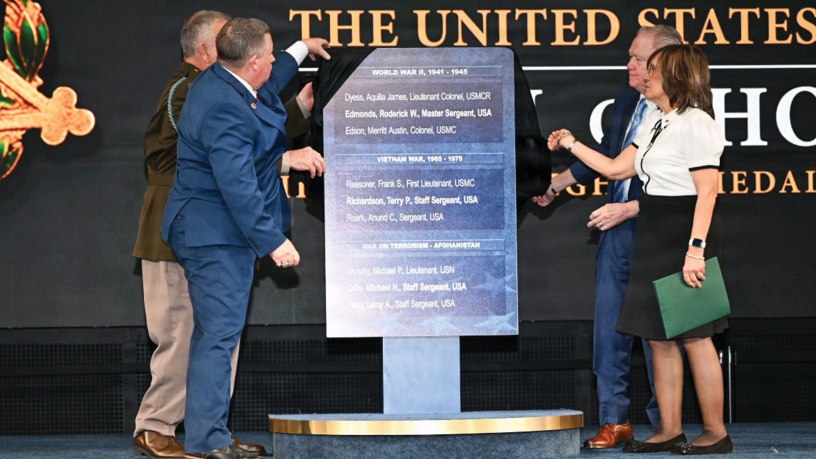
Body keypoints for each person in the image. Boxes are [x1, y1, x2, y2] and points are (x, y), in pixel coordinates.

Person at [133, 11, 326, 459]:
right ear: (252, 62)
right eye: (271, 55)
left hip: (214, 229)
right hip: (214, 232)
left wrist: (300, 50)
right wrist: (273, 240)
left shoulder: (224, 79)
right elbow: (235, 181)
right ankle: (209, 440)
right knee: (215, 338)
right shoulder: (222, 103)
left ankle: (209, 434)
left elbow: (271, 76)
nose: (273, 61)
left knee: (215, 337)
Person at [547, 44, 732, 455]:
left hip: (684, 233)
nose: (644, 76)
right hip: (652, 231)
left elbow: (707, 193)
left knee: (695, 337)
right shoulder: (656, 123)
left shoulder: (696, 123)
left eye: (653, 70)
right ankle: (669, 429)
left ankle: (717, 433)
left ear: (677, 77)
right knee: (658, 339)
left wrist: (695, 251)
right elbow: (615, 168)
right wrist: (572, 143)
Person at [533, 25, 681, 449]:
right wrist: (557, 185)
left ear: (663, 63)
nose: (629, 65)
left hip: (656, 232)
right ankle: (615, 421)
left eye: (638, 59)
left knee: (659, 335)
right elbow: (609, 152)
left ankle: (664, 424)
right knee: (610, 330)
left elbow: (693, 185)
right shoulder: (627, 99)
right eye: (630, 57)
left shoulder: (682, 111)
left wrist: (632, 207)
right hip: (617, 233)